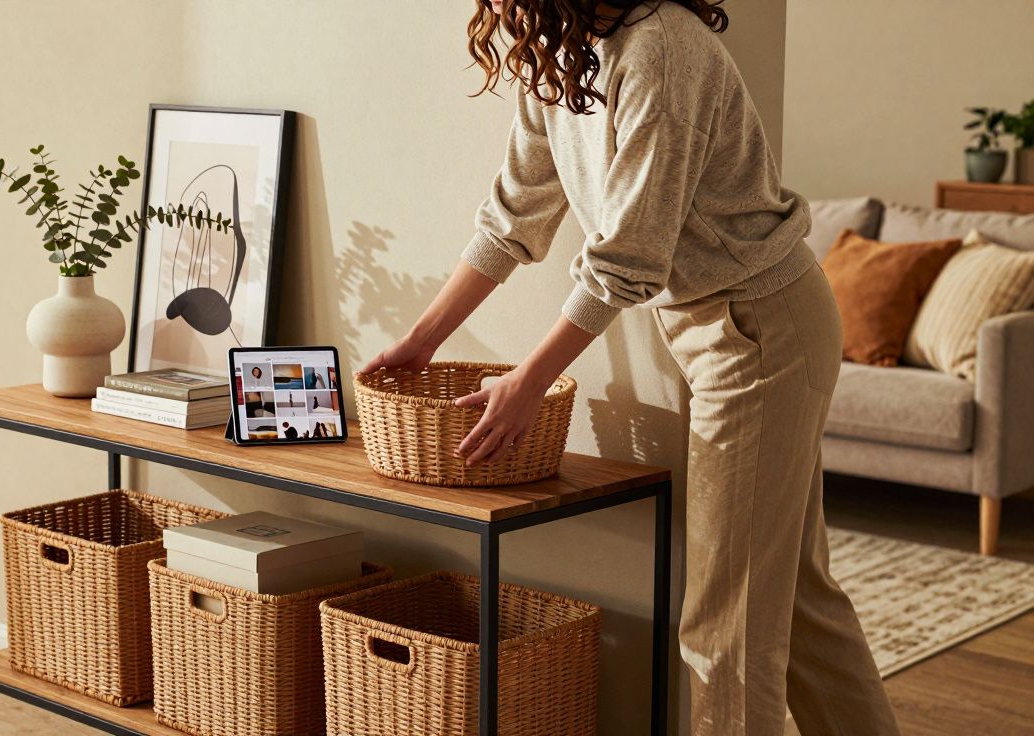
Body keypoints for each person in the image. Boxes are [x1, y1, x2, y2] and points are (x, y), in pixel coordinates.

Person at [360, 1, 898, 734]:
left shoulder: (661, 51)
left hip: (760, 330)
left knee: (724, 632)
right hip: (729, 327)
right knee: (798, 604)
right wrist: (422, 339)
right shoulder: (560, 52)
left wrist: (531, 380)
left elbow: (628, 260)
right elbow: (514, 215)